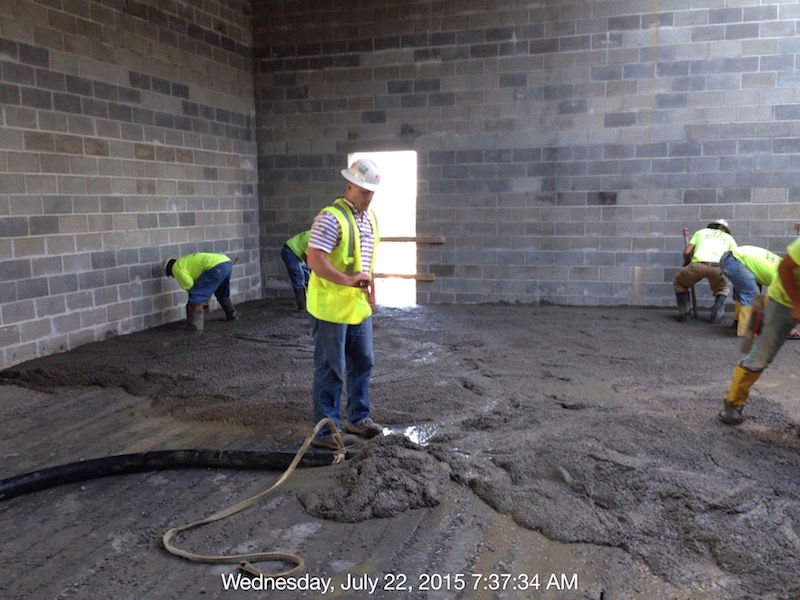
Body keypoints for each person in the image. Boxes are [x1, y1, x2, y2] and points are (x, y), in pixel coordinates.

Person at [306, 158, 384, 449]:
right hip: (329, 308)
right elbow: (315, 260)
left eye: (372, 192)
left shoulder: (370, 218)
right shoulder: (329, 217)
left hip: (357, 307)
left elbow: (368, 261)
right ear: (349, 185)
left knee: (363, 362)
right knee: (331, 369)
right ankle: (325, 433)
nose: (368, 196)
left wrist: (371, 293)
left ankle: (358, 418)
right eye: (364, 190)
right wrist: (348, 281)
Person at [719, 237, 800, 424]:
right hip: (781, 299)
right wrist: (795, 307)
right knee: (760, 355)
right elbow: (783, 270)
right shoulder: (780, 268)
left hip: (736, 258)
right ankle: (732, 403)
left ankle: (744, 328)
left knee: (749, 292)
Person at [673, 219, 737, 323]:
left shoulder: (701, 232)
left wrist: (687, 261)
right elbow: (735, 257)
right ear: (725, 229)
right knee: (722, 289)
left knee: (680, 283)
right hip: (718, 267)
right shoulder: (729, 238)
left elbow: (687, 251)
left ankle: (685, 315)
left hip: (698, 265)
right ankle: (716, 317)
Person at [162, 253, 237, 331]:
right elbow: (209, 287)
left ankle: (195, 326)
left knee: (195, 298)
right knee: (221, 292)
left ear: (168, 270)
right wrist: (206, 300)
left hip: (215, 267)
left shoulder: (176, 268)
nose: (172, 276)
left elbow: (189, 284)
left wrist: (199, 298)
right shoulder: (185, 262)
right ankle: (231, 314)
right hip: (226, 262)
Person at [281, 230, 311, 310]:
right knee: (299, 278)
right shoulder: (314, 238)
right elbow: (308, 258)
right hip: (290, 251)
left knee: (307, 278)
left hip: (299, 254)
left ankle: (309, 304)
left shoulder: (320, 236)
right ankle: (302, 308)